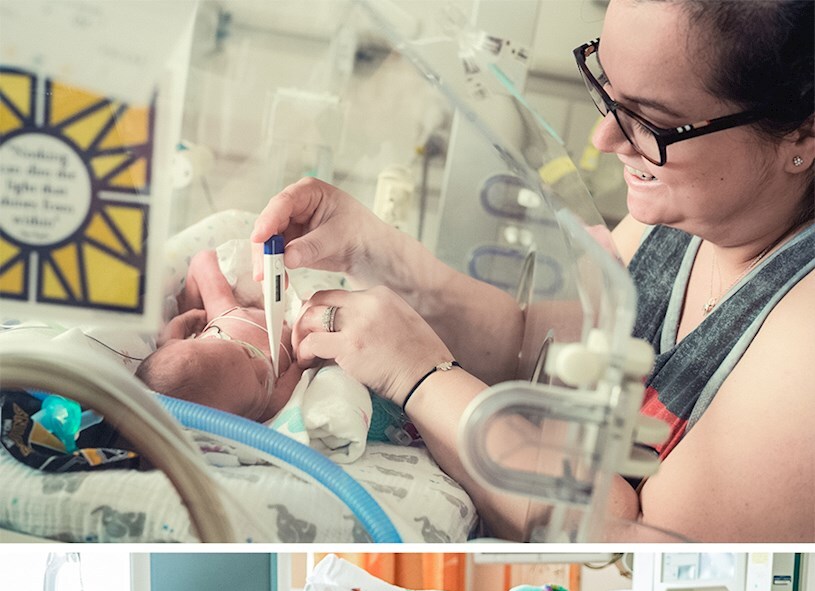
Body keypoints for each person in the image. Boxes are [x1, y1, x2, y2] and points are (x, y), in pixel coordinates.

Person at [251, 0, 814, 542]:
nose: (606, 138)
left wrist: (420, 379)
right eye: (606, 88)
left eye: (651, 121)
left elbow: (627, 542)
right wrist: (376, 252)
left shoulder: (801, 345)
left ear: (802, 136)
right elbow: (537, 349)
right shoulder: (691, 217)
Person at [135, 249, 303, 422]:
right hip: (289, 327)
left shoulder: (212, 331)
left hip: (228, 319)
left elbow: (170, 344)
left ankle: (190, 303)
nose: (262, 362)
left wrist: (181, 322)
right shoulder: (271, 405)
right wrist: (300, 355)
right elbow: (301, 365)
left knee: (202, 261)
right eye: (260, 381)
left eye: (245, 350)